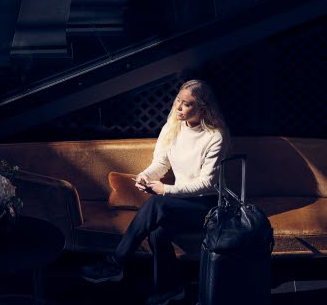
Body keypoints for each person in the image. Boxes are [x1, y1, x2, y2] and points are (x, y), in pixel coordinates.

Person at [80, 79, 230, 305]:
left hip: (208, 207)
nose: (179, 108)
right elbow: (161, 163)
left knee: (157, 203)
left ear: (202, 108)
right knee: (157, 233)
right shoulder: (173, 127)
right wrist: (146, 176)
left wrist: (166, 189)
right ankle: (170, 290)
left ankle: (116, 262)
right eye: (178, 101)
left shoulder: (215, 136)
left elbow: (208, 183)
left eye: (187, 104)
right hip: (180, 203)